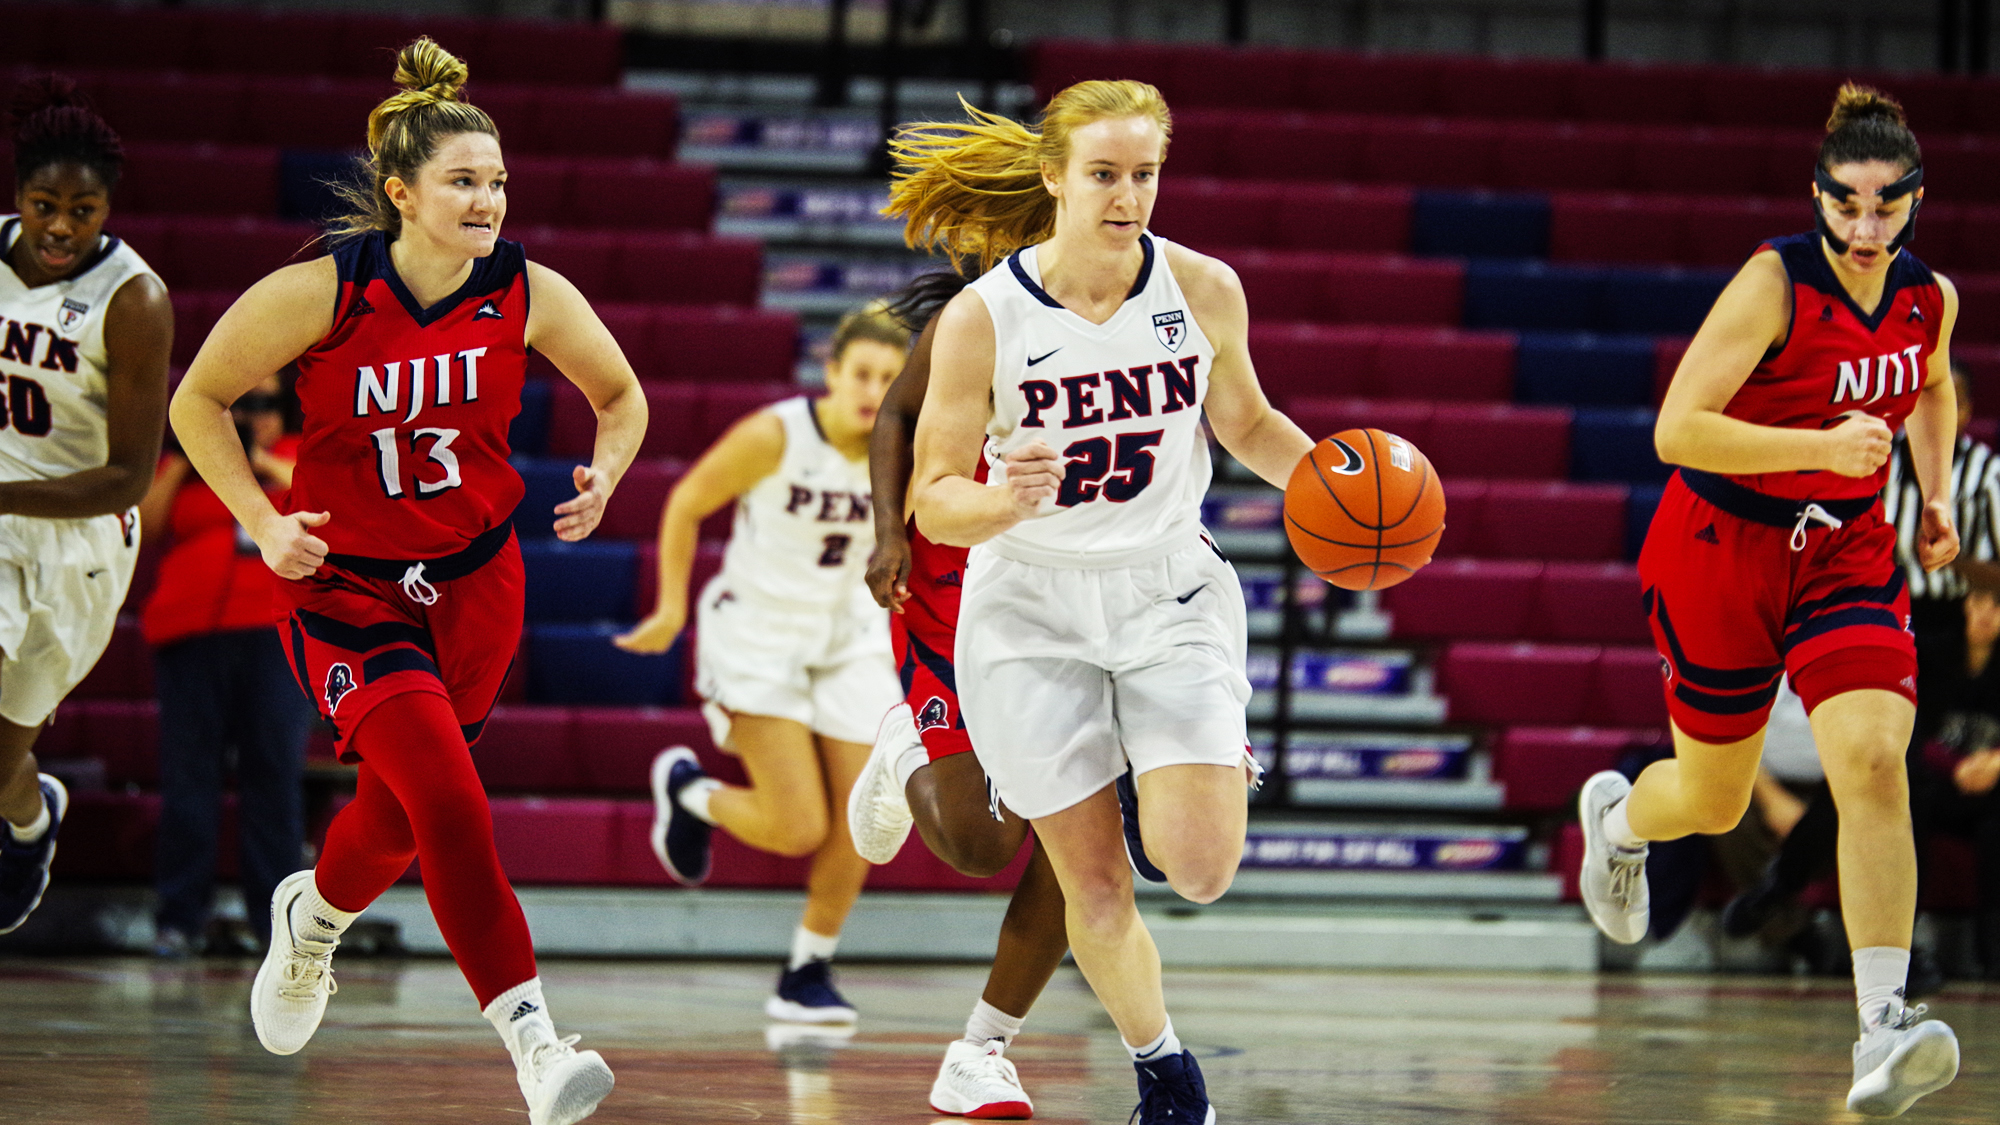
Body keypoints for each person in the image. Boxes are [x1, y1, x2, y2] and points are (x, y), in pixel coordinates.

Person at [168, 39, 644, 1125]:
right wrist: (260, 520)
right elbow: (197, 399)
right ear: (401, 193)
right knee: (447, 801)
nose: (488, 198)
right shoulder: (323, 290)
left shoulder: (526, 290)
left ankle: (313, 930)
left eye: (498, 181)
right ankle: (534, 1043)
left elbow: (622, 398)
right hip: (348, 592)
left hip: (479, 586)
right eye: (463, 181)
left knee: (394, 814)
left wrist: (606, 474)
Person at [886, 80, 1316, 1124]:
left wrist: (1331, 484)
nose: (1127, 197)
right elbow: (930, 500)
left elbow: (1248, 422)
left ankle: (1184, 748)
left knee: (1201, 867)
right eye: (1104, 175)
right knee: (1090, 879)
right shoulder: (984, 317)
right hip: (1030, 607)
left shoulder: (1204, 288)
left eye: (1143, 175)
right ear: (1054, 178)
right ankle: (1165, 1075)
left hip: (1165, 587)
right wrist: (999, 496)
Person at [1579, 84, 1963, 1118]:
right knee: (1710, 800)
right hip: (1719, 543)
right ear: (1816, 197)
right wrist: (1819, 446)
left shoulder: (1929, 297)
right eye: (1844, 204)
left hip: (1844, 550)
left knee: (1874, 761)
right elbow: (1674, 429)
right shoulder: (1771, 283)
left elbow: (1930, 384)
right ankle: (1618, 821)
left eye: (1886, 206)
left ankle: (1878, 1030)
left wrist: (1931, 497)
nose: (1864, 226)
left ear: (1915, 200)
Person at [619, 304, 906, 1025]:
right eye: (863, 373)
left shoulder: (906, 449)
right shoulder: (778, 434)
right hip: (758, 632)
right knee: (797, 825)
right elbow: (686, 502)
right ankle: (688, 793)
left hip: (850, 636)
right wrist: (672, 607)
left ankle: (808, 968)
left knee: (865, 814)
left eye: (891, 379)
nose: (874, 390)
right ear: (833, 373)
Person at [845, 270, 1076, 1118]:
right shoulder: (978, 314)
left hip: (1073, 611)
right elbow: (898, 416)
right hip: (951, 596)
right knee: (982, 845)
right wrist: (885, 533)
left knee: (1084, 848)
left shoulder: (1155, 308)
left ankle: (982, 1048)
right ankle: (904, 744)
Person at [0, 78, 171, 935]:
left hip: (82, 543)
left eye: (84, 209)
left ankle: (33, 818)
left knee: (2, 761)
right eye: (44, 205)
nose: (63, 227)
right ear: (18, 197)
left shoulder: (134, 299)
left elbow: (128, 478)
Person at [139, 374, 316, 956]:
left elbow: (324, 508)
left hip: (275, 637)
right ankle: (179, 919)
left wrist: (259, 460)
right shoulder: (183, 464)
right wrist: (194, 461)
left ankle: (277, 930)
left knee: (273, 778)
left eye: (264, 404)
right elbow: (147, 525)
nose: (249, 415)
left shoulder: (297, 456)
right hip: (191, 636)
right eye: (239, 405)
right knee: (189, 776)